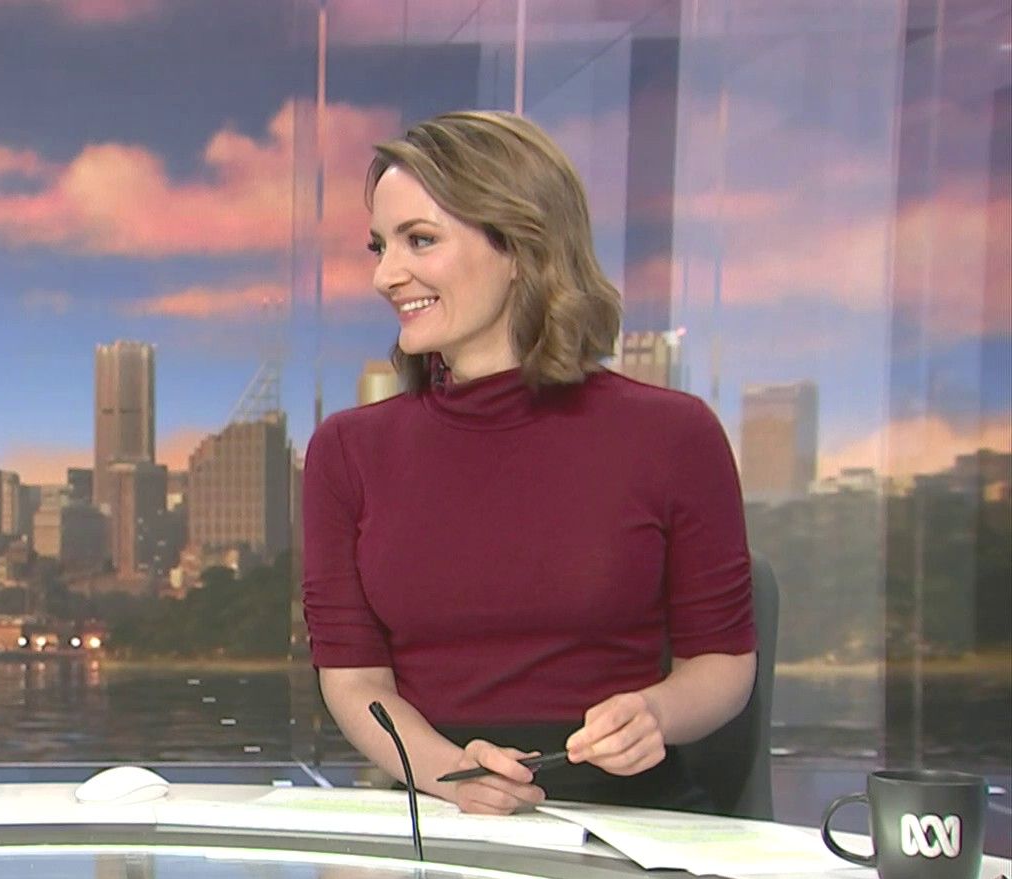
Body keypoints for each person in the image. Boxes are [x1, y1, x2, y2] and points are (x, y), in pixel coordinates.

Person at [302, 111, 756, 814]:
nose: (386, 275)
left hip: (627, 823)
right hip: (436, 811)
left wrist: (656, 714)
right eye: (379, 246)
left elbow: (722, 666)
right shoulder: (346, 451)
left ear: (520, 246)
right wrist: (450, 774)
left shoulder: (674, 434)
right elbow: (356, 681)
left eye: (419, 240)